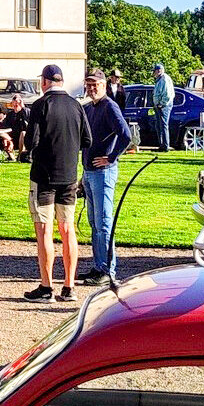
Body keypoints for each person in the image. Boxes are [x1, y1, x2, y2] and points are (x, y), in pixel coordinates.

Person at [23, 64, 89, 304]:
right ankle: (69, 286)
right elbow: (87, 139)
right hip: (69, 176)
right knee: (68, 229)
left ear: (44, 82)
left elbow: (32, 140)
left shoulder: (41, 105)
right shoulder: (76, 105)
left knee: (44, 231)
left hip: (44, 177)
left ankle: (46, 286)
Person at [79, 69, 129, 289]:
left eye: (95, 84)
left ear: (104, 85)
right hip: (89, 171)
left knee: (104, 223)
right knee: (93, 222)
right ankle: (98, 265)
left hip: (103, 172)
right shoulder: (88, 108)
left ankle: (108, 269)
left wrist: (111, 157)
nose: (92, 88)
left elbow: (126, 135)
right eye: (88, 84)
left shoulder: (109, 106)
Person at [150, 64, 176, 151]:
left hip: (164, 106)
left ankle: (165, 146)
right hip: (159, 106)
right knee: (159, 125)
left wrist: (161, 104)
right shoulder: (159, 79)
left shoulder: (165, 79)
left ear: (159, 70)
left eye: (154, 71)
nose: (153, 73)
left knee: (163, 125)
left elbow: (167, 94)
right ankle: (161, 145)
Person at [2, 94, 31, 160]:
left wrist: (22, 106)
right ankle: (11, 156)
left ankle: (20, 155)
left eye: (17, 105)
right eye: (14, 105)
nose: (15, 106)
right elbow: (6, 127)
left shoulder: (26, 112)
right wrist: (7, 137)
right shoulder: (10, 115)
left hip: (24, 137)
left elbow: (28, 121)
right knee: (4, 136)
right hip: (13, 136)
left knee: (23, 133)